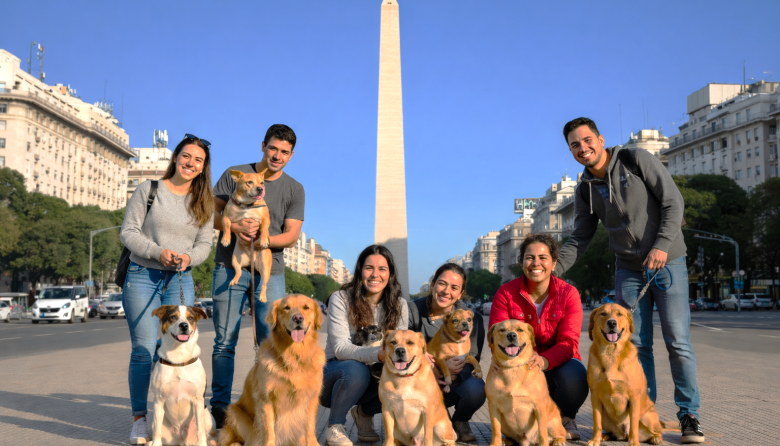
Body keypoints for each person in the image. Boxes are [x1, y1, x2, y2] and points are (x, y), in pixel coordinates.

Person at [555, 117, 704, 444]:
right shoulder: (585, 190)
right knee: (635, 345)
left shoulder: (635, 159)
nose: (583, 148)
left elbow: (673, 202)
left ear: (600, 139)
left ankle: (689, 415)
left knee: (678, 341)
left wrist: (662, 245)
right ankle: (643, 416)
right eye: (575, 145)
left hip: (668, 261)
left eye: (587, 140)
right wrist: (551, 269)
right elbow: (580, 237)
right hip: (628, 269)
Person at [120, 134, 214, 444]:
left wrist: (188, 258)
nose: (191, 163)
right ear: (176, 158)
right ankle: (139, 420)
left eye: (198, 160)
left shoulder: (204, 202)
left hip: (180, 278)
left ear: (203, 167)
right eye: (186, 156)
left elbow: (204, 245)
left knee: (177, 348)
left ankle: (181, 418)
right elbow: (128, 232)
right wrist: (157, 251)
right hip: (142, 275)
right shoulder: (149, 190)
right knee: (144, 350)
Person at [209, 124, 304, 428]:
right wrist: (235, 228)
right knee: (224, 342)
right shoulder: (234, 174)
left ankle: (271, 405)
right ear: (263, 145)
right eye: (273, 148)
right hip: (229, 266)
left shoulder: (294, 189)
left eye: (284, 152)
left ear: (291, 155)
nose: (277, 155)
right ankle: (219, 409)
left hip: (270, 271)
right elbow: (211, 214)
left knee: (273, 342)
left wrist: (263, 240)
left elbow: (291, 235)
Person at [489, 233, 587, 441]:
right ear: (521, 262)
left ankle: (565, 418)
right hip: (517, 364)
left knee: (575, 375)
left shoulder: (568, 293)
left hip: (556, 363)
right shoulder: (505, 293)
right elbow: (495, 335)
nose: (536, 263)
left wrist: (543, 360)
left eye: (543, 258)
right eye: (529, 257)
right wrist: (498, 358)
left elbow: (569, 342)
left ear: (554, 262)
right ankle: (517, 426)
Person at [320, 245, 409, 446]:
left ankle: (364, 414)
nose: (375, 275)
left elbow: (400, 346)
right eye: (369, 268)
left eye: (382, 269)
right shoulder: (341, 298)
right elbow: (341, 349)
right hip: (335, 376)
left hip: (374, 375)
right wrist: (378, 354)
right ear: (360, 271)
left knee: (403, 377)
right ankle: (335, 426)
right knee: (356, 369)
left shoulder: (400, 305)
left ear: (390, 274)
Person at [407, 263, 485, 442]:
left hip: (453, 381)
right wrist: (434, 369)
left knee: (476, 388)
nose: (446, 291)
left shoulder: (473, 319)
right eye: (442, 283)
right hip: (419, 382)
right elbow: (404, 349)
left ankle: (460, 420)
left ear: (460, 293)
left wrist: (453, 374)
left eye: (454, 288)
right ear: (432, 284)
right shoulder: (412, 311)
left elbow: (474, 356)